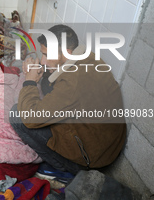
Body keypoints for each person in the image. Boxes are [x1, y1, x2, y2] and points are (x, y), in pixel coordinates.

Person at [9, 24, 127, 175]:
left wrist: (30, 82)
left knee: (17, 115)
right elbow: (58, 83)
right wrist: (42, 73)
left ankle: (63, 171)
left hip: (93, 160)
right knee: (47, 85)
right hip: (109, 145)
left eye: (46, 55)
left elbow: (30, 118)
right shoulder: (89, 58)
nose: (43, 61)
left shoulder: (72, 82)